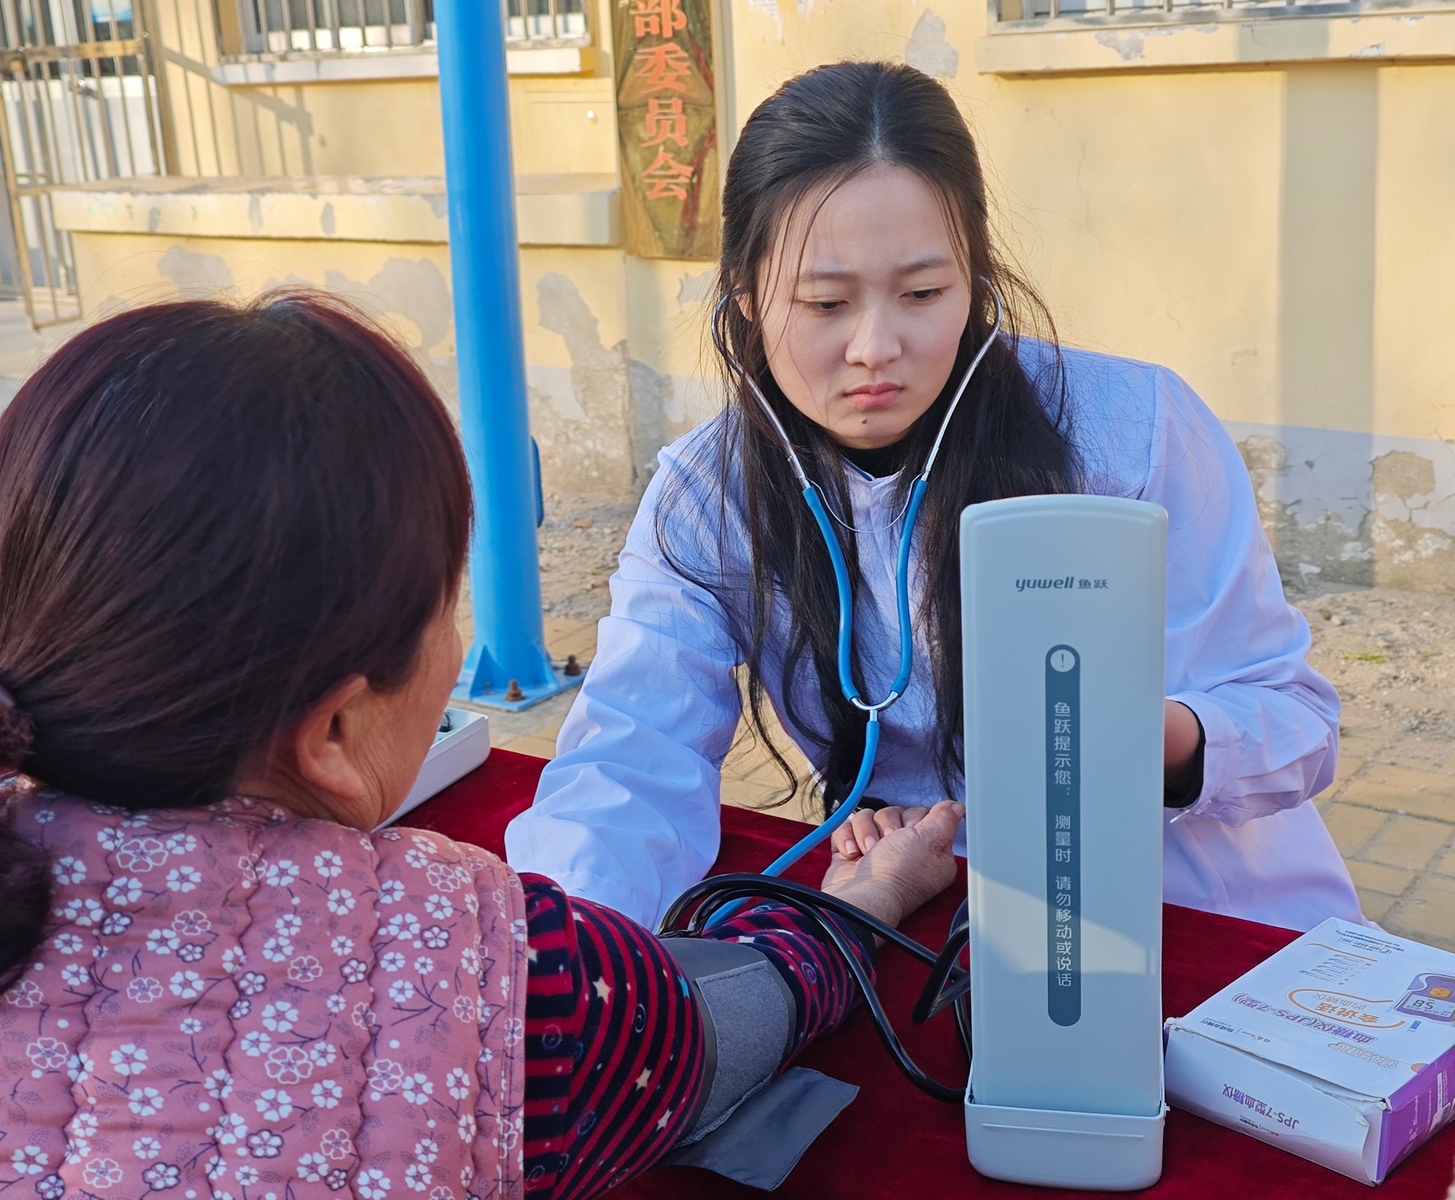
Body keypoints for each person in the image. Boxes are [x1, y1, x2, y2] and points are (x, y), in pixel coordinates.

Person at [0, 294, 963, 1200]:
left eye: (922, 291)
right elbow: (724, 1023)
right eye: (445, 604)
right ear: (335, 733)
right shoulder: (496, 967)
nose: (873, 345)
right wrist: (863, 902)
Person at [506, 60, 1361, 935]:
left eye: (922, 294)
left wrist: (1155, 737)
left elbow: (1296, 724)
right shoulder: (707, 496)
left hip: (1199, 905)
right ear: (747, 296)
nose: (876, 347)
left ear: (975, 278)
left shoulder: (1132, 429)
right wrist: (557, 957)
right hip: (925, 911)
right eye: (825, 303)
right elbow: (628, 762)